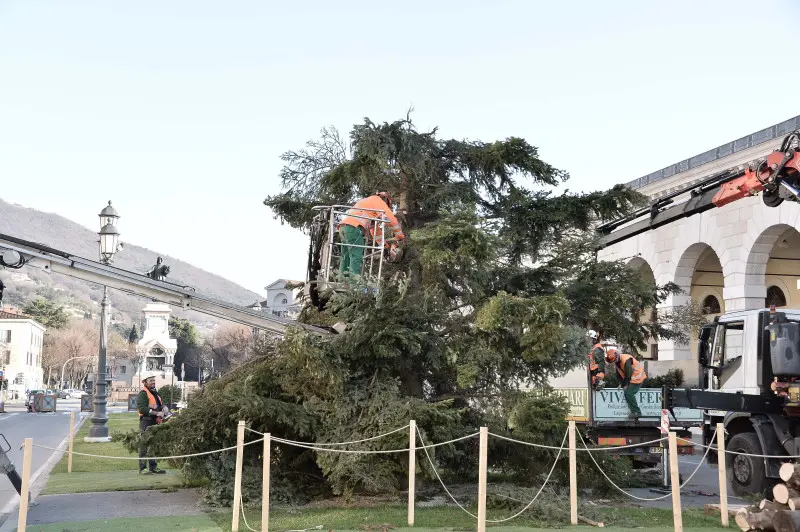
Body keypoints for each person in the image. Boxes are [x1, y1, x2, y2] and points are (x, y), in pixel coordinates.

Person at [338, 192, 406, 276]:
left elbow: (374, 230)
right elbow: (391, 219)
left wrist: (384, 246)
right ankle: (354, 285)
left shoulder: (366, 204)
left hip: (343, 228)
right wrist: (400, 236)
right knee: (356, 257)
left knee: (345, 257)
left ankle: (343, 280)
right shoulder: (377, 201)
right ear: (385, 202)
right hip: (354, 228)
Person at [136, 371, 168, 474]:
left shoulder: (155, 392)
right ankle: (143, 468)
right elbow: (142, 409)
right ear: (145, 382)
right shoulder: (143, 393)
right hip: (146, 422)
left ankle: (153, 467)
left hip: (155, 422)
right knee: (144, 446)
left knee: (154, 445)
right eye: (151, 380)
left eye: (154, 380)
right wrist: (156, 413)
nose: (153, 382)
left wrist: (164, 407)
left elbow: (160, 404)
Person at [605, 347, 647, 419]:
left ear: (616, 355)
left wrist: (623, 384)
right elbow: (619, 374)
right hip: (632, 378)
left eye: (614, 360)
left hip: (637, 377)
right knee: (627, 392)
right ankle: (634, 411)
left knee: (629, 393)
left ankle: (637, 412)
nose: (614, 362)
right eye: (613, 361)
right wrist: (621, 383)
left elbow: (628, 375)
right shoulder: (618, 362)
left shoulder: (626, 359)